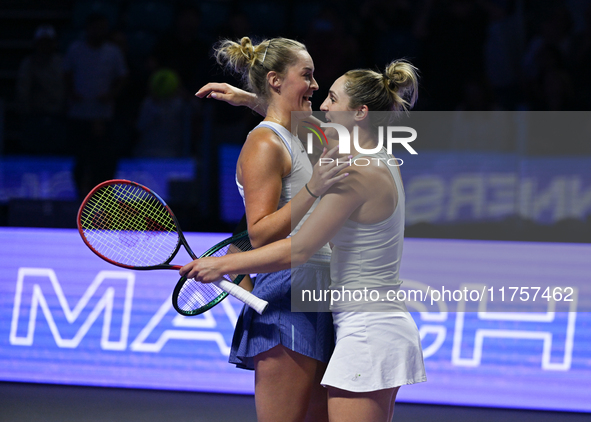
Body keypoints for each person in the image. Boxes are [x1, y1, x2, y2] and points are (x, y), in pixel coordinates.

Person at [186, 60, 427, 422]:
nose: (324, 106)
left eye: (332, 98)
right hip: (372, 324)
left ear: (360, 113)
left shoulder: (355, 173)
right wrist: (256, 101)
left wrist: (221, 263)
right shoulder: (377, 156)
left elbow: (299, 248)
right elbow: (305, 125)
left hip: (367, 332)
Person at [201, 37, 349, 422]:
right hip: (286, 297)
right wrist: (315, 187)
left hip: (320, 295)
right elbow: (262, 233)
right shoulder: (264, 143)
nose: (316, 86)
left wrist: (252, 98)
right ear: (276, 79)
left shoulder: (301, 136)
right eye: (308, 76)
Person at [63, 12, 128, 197]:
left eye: (103, 28)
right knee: (81, 160)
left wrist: (111, 94)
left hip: (103, 115)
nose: (99, 31)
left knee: (104, 160)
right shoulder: (75, 49)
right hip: (79, 114)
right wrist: (71, 93)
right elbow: (66, 73)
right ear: (88, 29)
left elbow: (123, 76)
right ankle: (79, 197)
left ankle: (103, 198)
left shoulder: (112, 51)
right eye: (96, 27)